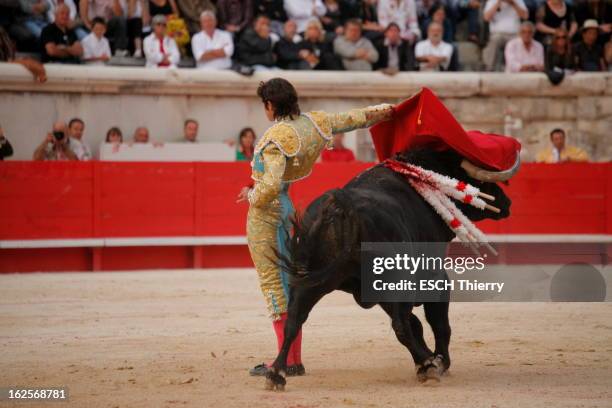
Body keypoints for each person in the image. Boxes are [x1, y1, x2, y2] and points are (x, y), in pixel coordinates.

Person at [236, 78, 394, 377]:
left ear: (270, 105)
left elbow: (268, 186)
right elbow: (353, 118)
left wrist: (251, 194)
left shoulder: (275, 138)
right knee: (291, 282)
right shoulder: (314, 122)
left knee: (274, 286)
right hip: (287, 210)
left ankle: (287, 360)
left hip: (265, 217)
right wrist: (386, 110)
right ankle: (293, 358)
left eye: (265, 104)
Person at [482, 0, 529, 71]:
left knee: (522, 41)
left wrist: (513, 3)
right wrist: (498, 3)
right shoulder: (492, 1)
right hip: (498, 33)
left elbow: (525, 16)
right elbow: (486, 17)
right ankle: (489, 68)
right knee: (495, 40)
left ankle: (522, 68)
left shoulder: (518, 1)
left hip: (515, 34)